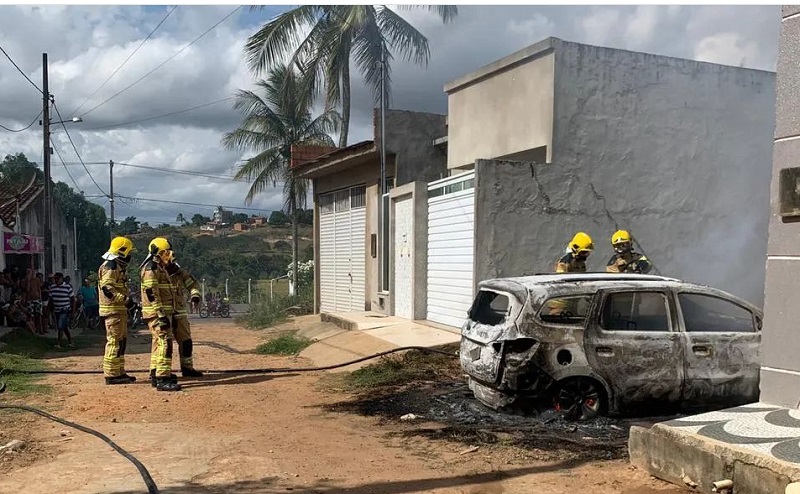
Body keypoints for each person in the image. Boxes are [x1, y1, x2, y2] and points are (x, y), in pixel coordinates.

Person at [141, 237, 181, 392]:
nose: (168, 255)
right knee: (165, 343)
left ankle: (156, 372)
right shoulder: (152, 268)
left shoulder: (158, 267)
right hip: (158, 313)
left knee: (158, 342)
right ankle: (162, 378)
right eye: (166, 252)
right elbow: (152, 293)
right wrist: (161, 314)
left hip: (162, 312)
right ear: (158, 252)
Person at [98, 237, 138, 385]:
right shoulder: (111, 266)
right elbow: (108, 288)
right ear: (122, 252)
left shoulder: (117, 266)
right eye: (128, 253)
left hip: (119, 310)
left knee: (121, 342)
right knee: (114, 341)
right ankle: (111, 374)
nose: (130, 256)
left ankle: (119, 371)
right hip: (113, 310)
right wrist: (125, 300)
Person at [165, 256, 204, 378]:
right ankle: (160, 372)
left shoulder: (180, 273)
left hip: (180, 312)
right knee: (164, 344)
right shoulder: (156, 272)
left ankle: (187, 368)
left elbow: (193, 285)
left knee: (186, 341)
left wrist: (195, 296)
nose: (171, 263)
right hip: (164, 313)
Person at [50, 272, 75, 349]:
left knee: (60, 326)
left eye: (57, 278)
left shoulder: (67, 287)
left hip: (65, 309)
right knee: (64, 327)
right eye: (55, 278)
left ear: (61, 279)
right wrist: (49, 311)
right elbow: (50, 300)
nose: (56, 280)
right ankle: (70, 341)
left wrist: (72, 312)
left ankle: (58, 343)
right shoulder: (52, 287)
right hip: (56, 310)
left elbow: (73, 300)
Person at [22, 267, 44, 334]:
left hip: (37, 299)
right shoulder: (25, 280)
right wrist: (28, 280)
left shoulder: (36, 279)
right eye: (27, 272)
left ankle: (40, 329)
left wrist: (40, 298)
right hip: (29, 299)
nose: (28, 273)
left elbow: (39, 289)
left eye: (30, 271)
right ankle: (33, 329)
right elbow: (27, 290)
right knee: (30, 315)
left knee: (39, 314)